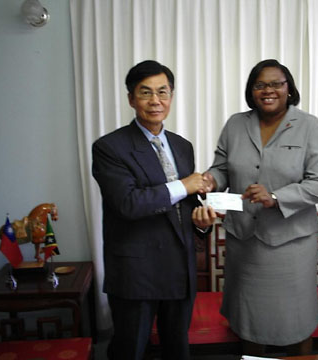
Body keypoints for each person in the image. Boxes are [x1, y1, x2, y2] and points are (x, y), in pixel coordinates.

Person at [203, 59, 318, 356]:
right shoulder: (236, 124)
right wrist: (212, 180)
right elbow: (222, 166)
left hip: (290, 247)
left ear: (289, 89)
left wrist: (275, 197)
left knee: (296, 321)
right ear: (251, 91)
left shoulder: (310, 127)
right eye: (260, 85)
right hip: (244, 243)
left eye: (276, 83)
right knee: (249, 323)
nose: (268, 90)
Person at [92, 60, 216, 360]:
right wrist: (185, 185)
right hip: (137, 271)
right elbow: (128, 203)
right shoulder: (110, 147)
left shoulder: (182, 146)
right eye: (145, 92)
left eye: (163, 92)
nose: (155, 100)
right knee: (130, 350)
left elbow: (184, 205)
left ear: (171, 96)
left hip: (180, 268)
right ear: (131, 99)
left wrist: (201, 221)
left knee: (177, 349)